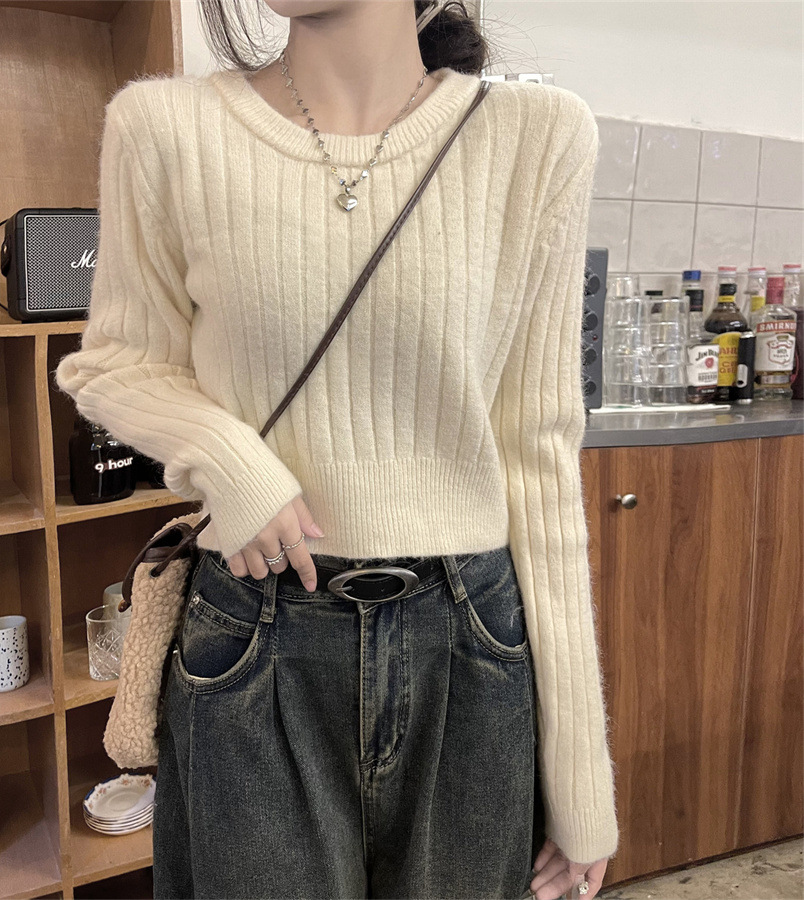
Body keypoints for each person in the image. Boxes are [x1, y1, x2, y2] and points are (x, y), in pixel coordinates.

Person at [54, 1, 620, 897]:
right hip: (253, 632)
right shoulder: (163, 127)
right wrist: (228, 459)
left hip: (470, 645)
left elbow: (539, 452)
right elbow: (115, 363)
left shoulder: (537, 137)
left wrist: (581, 780)